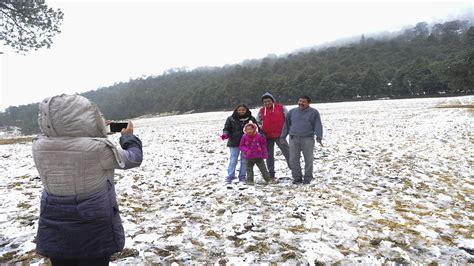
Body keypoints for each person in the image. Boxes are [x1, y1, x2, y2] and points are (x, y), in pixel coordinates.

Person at [32, 94, 143, 266]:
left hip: (55, 224)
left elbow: (67, 140)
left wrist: (99, 130)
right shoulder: (99, 149)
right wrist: (128, 137)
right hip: (93, 226)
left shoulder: (38, 145)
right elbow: (133, 158)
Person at [280, 95, 323, 184]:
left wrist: (319, 137)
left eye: (303, 102)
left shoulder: (314, 112)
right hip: (293, 139)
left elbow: (318, 125)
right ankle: (297, 178)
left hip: (308, 138)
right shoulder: (292, 112)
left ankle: (308, 178)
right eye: (300, 101)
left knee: (308, 159)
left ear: (308, 103)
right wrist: (283, 136)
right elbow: (286, 125)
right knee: (293, 159)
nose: (301, 103)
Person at [256, 92, 290, 180]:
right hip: (267, 137)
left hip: (280, 135)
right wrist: (261, 130)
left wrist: (286, 131)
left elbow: (288, 119)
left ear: (273, 100)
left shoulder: (281, 108)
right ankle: (271, 174)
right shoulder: (261, 111)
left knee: (287, 153)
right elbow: (258, 122)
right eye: (265, 102)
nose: (267, 103)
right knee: (269, 156)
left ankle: (295, 171)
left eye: (269, 101)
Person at [221, 104, 258, 184]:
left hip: (246, 143)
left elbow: (257, 129)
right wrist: (225, 134)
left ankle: (242, 176)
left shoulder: (251, 118)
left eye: (243, 110)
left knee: (244, 160)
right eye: (239, 110)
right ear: (236, 110)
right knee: (233, 160)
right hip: (234, 142)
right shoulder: (231, 119)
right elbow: (226, 128)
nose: (241, 111)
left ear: (246, 110)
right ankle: (230, 176)